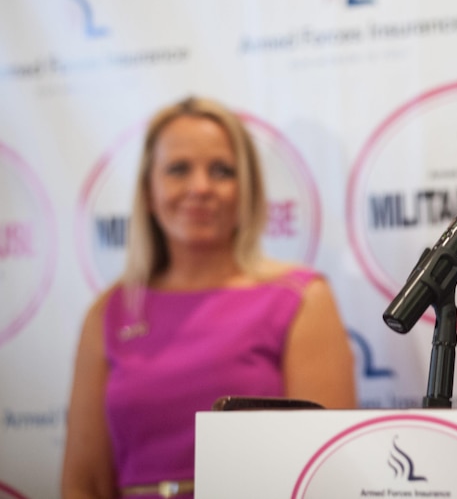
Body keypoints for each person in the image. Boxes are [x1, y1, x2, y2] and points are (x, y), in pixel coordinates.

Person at [62, 96, 356, 499]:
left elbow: (326, 474)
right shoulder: (109, 312)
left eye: (221, 171)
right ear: (148, 191)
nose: (200, 188)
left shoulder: (300, 299)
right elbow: (83, 484)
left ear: (246, 191)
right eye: (178, 169)